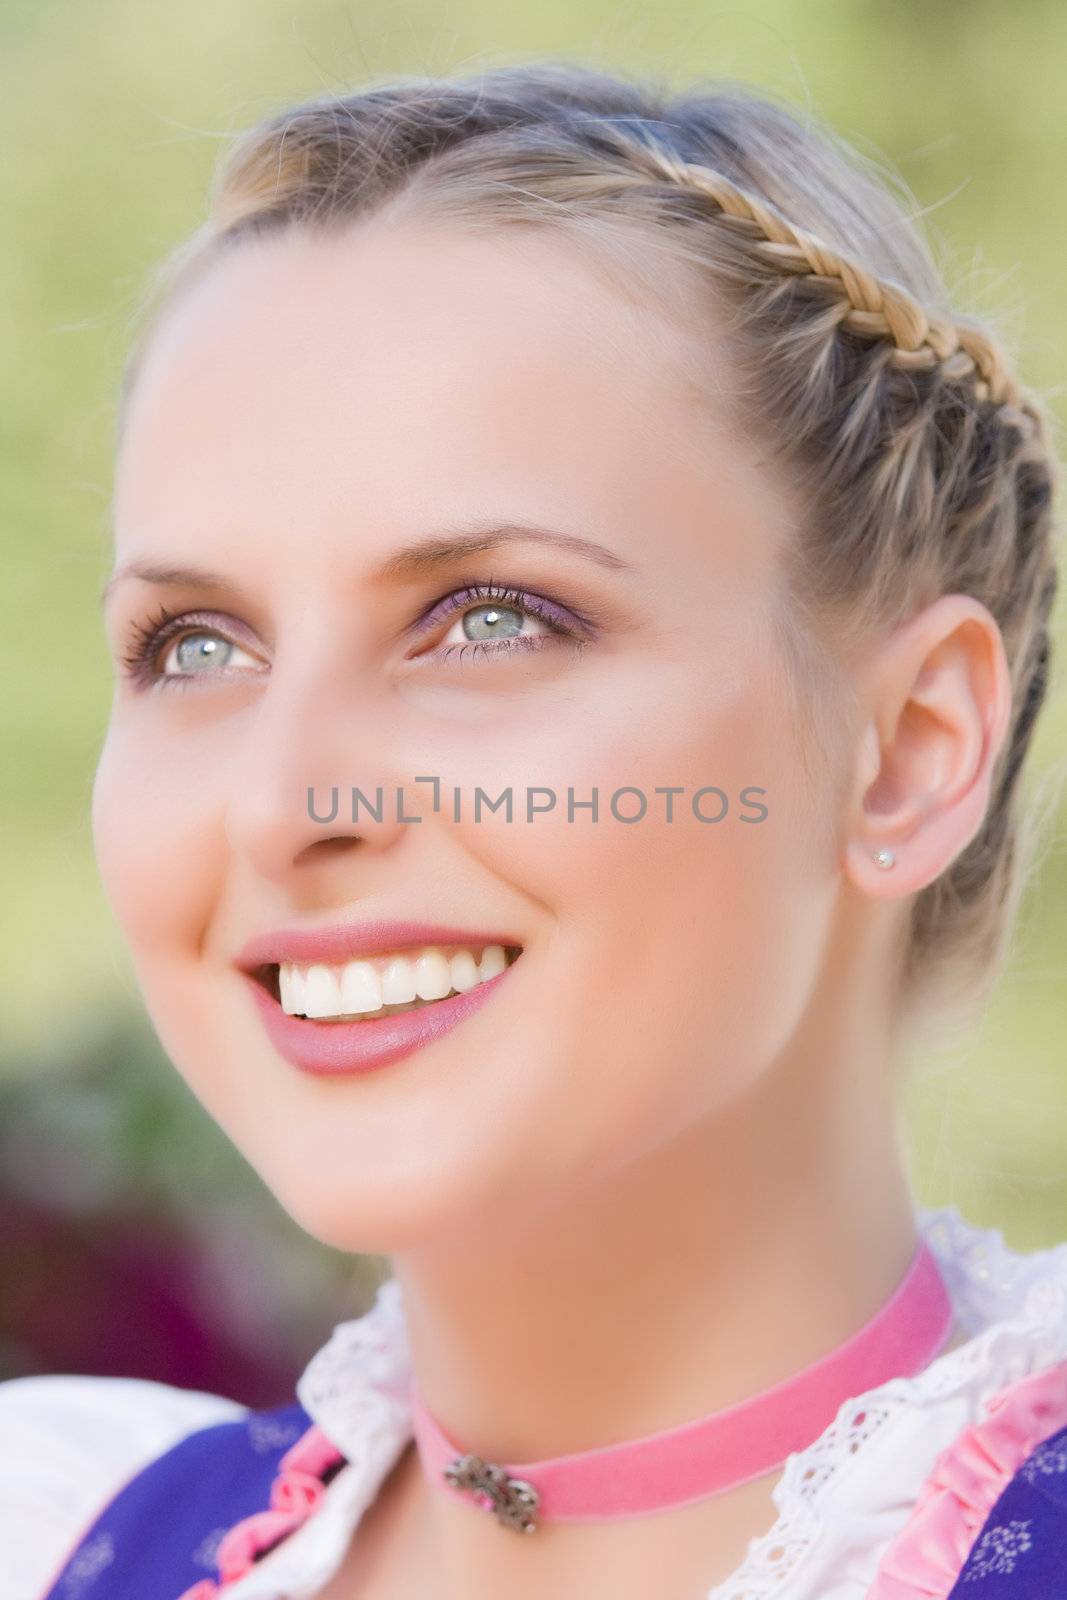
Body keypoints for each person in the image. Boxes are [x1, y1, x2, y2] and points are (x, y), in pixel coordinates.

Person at [3, 58, 1066, 1600]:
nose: (287, 805)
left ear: (907, 749)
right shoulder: (66, 1542)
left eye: (491, 619)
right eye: (195, 646)